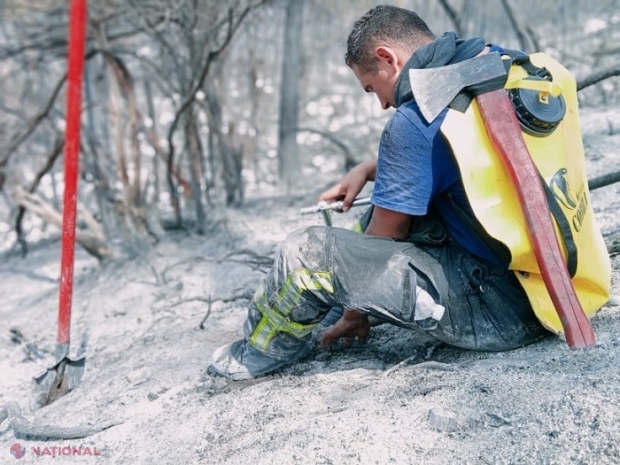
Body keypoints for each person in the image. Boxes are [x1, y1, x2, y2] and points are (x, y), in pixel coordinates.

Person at [206, 4, 595, 381]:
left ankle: (254, 355)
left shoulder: (415, 119)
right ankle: (321, 313)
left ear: (387, 57)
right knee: (372, 219)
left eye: (372, 87)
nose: (382, 104)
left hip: (499, 316)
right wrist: (370, 168)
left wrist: (355, 315)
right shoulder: (503, 70)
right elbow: (475, 155)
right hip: (560, 288)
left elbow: (382, 240)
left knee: (306, 256)